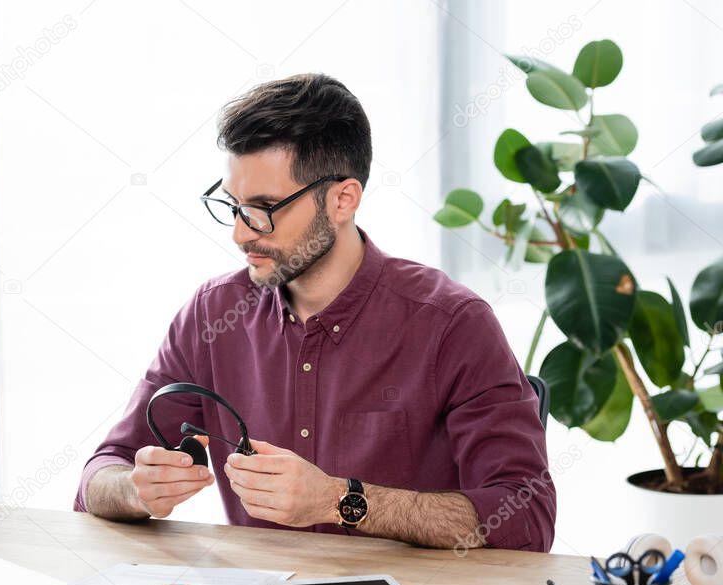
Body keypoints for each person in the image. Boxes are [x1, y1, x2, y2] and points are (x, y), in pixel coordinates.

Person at [72, 73, 555, 552]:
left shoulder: (451, 323)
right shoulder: (212, 315)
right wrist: (134, 489)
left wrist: (339, 501)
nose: (240, 234)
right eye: (233, 205)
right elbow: (102, 473)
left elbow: (525, 516)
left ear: (343, 199)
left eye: (263, 208)